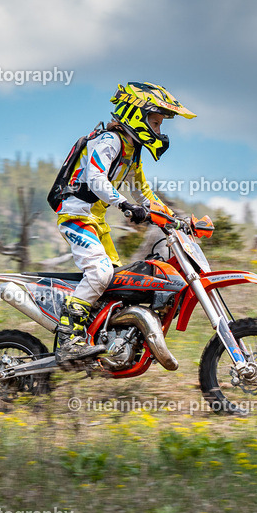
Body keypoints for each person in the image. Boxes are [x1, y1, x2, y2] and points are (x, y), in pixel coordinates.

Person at [52, 81, 195, 363]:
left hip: (97, 221)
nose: (159, 131)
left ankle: (105, 338)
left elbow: (144, 193)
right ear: (137, 115)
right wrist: (125, 205)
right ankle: (68, 339)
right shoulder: (110, 141)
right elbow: (96, 178)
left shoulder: (131, 151)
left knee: (117, 283)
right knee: (100, 274)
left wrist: (175, 221)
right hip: (76, 216)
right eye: (155, 123)